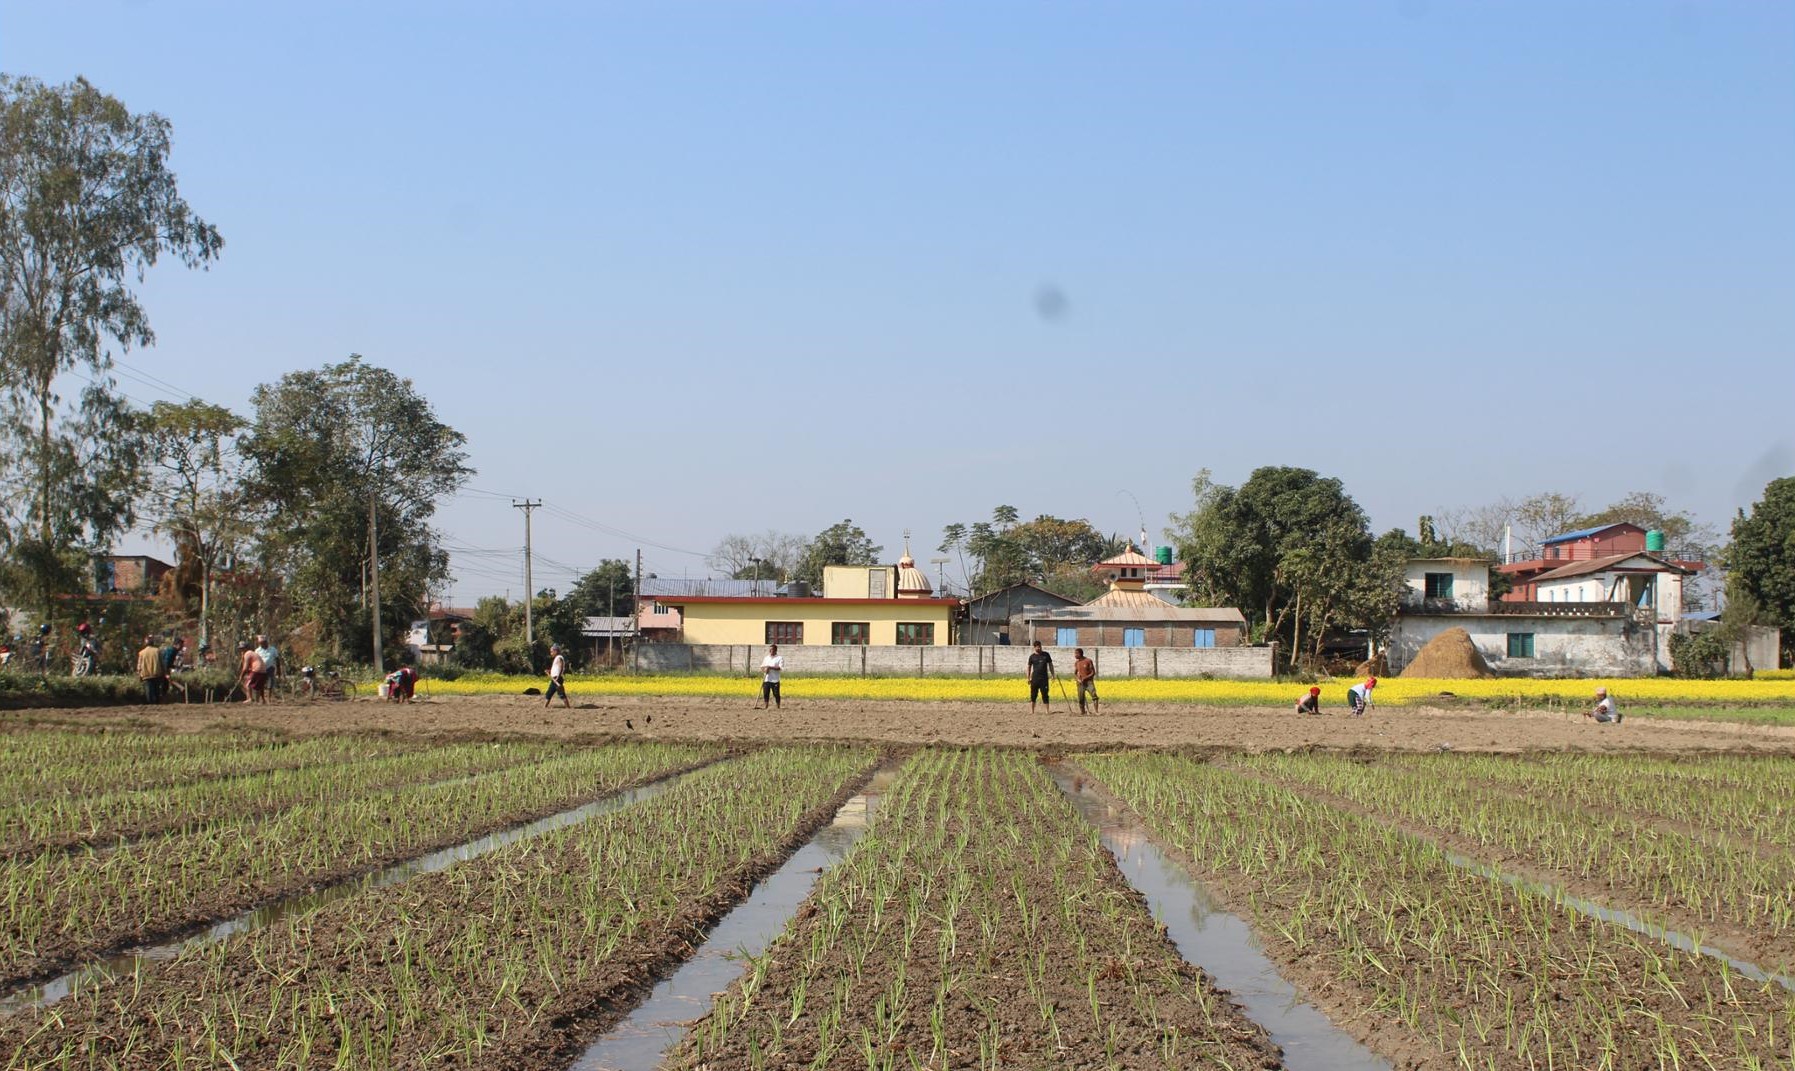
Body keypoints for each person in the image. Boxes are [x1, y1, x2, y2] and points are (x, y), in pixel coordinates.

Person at [1026, 640, 1055, 712]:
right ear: (1034, 647)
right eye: (1037, 647)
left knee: (1045, 694)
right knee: (1033, 695)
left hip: (1044, 679)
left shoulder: (1046, 655)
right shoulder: (1032, 657)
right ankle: (1032, 710)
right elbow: (1029, 667)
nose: (1039, 648)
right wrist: (1028, 678)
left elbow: (1050, 665)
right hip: (1035, 679)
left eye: (1040, 647)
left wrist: (1053, 675)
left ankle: (1047, 711)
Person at [136, 636, 164, 704]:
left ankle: (150, 704)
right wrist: (164, 672)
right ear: (153, 643)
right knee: (157, 691)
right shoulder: (157, 651)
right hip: (156, 674)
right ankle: (157, 703)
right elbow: (162, 663)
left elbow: (139, 666)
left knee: (149, 692)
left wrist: (139, 675)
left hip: (146, 675)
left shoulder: (141, 653)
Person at [1072, 648, 1099, 714]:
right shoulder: (1077, 663)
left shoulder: (1088, 661)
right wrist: (1078, 679)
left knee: (1094, 695)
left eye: (1076, 653)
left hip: (1089, 682)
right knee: (1081, 698)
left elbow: (1093, 672)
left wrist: (1085, 678)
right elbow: (1075, 673)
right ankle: (1083, 712)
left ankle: (1096, 711)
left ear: (1080, 654)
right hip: (1080, 683)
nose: (1075, 655)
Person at [254, 635, 279, 701]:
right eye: (260, 643)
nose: (262, 644)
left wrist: (278, 670)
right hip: (261, 669)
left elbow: (277, 659)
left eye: (263, 642)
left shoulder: (273, 649)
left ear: (266, 642)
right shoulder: (257, 651)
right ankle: (262, 699)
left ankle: (269, 698)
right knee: (261, 684)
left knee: (270, 684)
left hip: (270, 668)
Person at [759, 643, 784, 709]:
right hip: (766, 679)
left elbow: (780, 668)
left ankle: (778, 706)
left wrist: (770, 667)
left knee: (776, 694)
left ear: (775, 650)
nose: (770, 651)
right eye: (770, 650)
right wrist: (764, 670)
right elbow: (762, 667)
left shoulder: (779, 658)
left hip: (775, 679)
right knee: (766, 694)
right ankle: (766, 706)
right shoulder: (766, 658)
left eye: (772, 650)